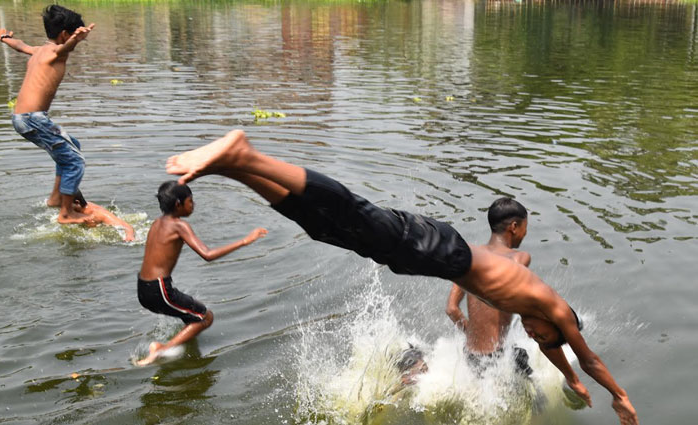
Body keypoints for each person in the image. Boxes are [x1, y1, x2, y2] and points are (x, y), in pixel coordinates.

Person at [164, 129, 639, 424]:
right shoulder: (553, 309)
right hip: (441, 247)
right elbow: (588, 357)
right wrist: (618, 397)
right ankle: (246, 153)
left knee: (328, 229)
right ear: (558, 322)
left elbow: (563, 357)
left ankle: (232, 169)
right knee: (354, 210)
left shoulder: (544, 321)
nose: (531, 334)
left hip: (428, 260)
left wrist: (571, 383)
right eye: (540, 334)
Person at [136, 181, 267, 366]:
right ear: (178, 204)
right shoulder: (179, 226)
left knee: (189, 314)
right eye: (191, 200)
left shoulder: (157, 223)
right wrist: (245, 241)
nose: (193, 204)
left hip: (143, 288)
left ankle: (178, 344)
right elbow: (207, 254)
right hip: (159, 290)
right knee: (205, 317)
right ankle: (161, 349)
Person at [0, 5, 95, 224]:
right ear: (65, 34)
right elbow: (65, 48)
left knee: (71, 146)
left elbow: (20, 45)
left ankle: (56, 198)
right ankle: (66, 213)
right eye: (75, 38)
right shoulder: (58, 51)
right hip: (33, 118)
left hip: (23, 118)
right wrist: (77, 39)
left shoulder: (40, 50)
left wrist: (3, 36)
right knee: (75, 161)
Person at [446, 197, 533, 377]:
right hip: (496, 357)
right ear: (514, 227)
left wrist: (472, 334)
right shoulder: (519, 258)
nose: (525, 234)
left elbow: (452, 309)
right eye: (525, 227)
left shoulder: (470, 256)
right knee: (536, 397)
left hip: (471, 354)